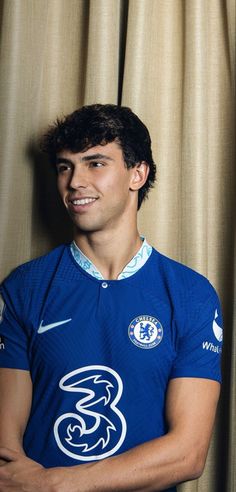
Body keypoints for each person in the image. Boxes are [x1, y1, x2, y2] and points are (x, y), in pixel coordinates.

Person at [0, 104, 223, 491]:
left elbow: (188, 453)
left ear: (138, 173)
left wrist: (57, 485)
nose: (74, 182)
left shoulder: (191, 295)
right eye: (65, 166)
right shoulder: (24, 288)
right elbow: (6, 448)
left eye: (95, 163)